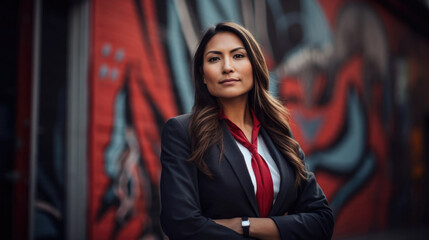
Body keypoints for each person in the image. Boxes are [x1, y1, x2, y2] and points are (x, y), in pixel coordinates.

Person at [159, 22, 334, 240]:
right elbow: (181, 223)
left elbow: (321, 220)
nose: (227, 67)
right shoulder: (183, 133)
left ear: (254, 66)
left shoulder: (279, 134)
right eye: (214, 59)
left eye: (238, 56)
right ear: (203, 76)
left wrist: (245, 225)